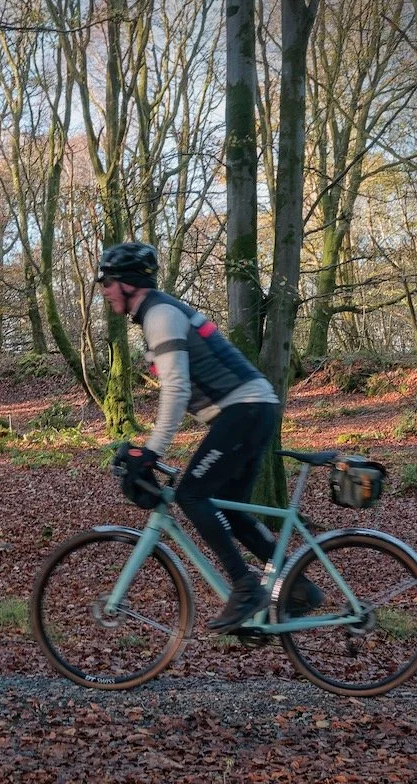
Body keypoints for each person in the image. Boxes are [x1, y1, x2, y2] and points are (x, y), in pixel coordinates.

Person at [99, 240, 314, 632]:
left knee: (190, 494)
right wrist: (152, 450)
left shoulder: (159, 315)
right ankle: (298, 587)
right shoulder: (162, 312)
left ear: (128, 283)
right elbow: (180, 391)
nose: (103, 289)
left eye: (107, 281)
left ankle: (246, 587)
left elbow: (177, 389)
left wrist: (150, 452)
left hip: (244, 411)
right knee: (230, 508)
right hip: (251, 410)